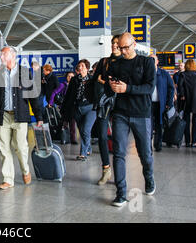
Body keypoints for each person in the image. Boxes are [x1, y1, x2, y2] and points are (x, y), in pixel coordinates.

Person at [107, 32, 156, 207]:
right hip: (120, 112)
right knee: (119, 152)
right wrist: (110, 85)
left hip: (141, 113)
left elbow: (149, 88)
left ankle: (149, 178)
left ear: (134, 44)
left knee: (145, 154)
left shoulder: (146, 62)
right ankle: (121, 193)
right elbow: (108, 85)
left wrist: (127, 88)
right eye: (120, 48)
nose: (123, 50)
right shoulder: (115, 63)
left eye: (126, 47)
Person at [0, 46, 43, 190]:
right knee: (4, 149)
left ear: (13, 56)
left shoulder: (25, 73)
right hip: (2, 116)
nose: (1, 57)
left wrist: (39, 116)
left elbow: (33, 96)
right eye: (1, 54)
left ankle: (25, 170)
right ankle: (8, 179)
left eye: (3, 54)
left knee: (21, 147)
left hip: (20, 116)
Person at [92, 35, 122, 185]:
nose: (114, 45)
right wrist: (106, 83)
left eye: (117, 43)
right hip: (104, 103)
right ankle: (106, 169)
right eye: (113, 43)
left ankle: (119, 171)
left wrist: (106, 82)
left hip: (120, 104)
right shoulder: (104, 62)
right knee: (102, 136)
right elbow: (95, 79)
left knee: (118, 138)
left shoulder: (126, 62)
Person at [61, 59, 96, 161]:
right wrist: (65, 108)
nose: (80, 67)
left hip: (90, 108)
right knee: (83, 130)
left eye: (82, 66)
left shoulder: (92, 79)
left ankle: (83, 153)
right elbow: (69, 95)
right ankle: (88, 148)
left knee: (85, 129)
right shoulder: (74, 80)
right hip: (77, 108)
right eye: (79, 66)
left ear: (87, 68)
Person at [177, 59, 196, 148]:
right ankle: (194, 142)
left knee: (186, 121)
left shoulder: (183, 75)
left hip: (186, 100)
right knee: (195, 121)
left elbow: (180, 86)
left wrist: (182, 95)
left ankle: (187, 141)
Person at [149, 55, 175, 152]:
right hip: (149, 104)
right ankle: (148, 146)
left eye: (153, 59)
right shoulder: (145, 73)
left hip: (161, 104)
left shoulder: (164, 74)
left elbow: (171, 88)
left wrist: (169, 102)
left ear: (157, 62)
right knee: (148, 125)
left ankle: (158, 144)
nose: (151, 61)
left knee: (159, 124)